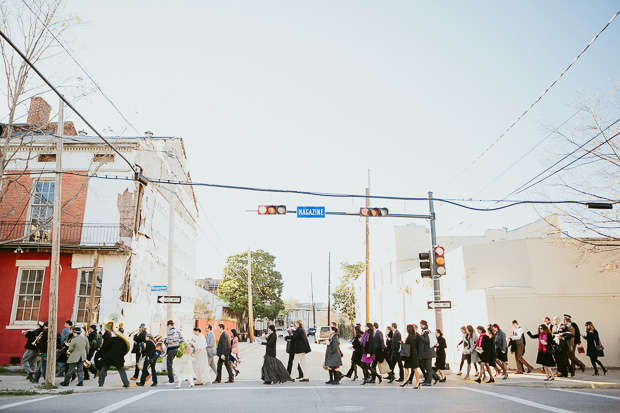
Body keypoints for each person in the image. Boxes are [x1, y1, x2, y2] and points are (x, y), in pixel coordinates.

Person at [419, 320, 441, 386]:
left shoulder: (425, 332)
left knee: (428, 367)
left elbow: (426, 341)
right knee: (424, 366)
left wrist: (421, 336)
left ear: (423, 325)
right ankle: (435, 377)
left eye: (420, 324)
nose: (420, 325)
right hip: (427, 352)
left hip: (427, 352)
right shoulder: (427, 331)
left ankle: (429, 381)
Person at [400, 324, 420, 389]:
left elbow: (410, 345)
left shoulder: (411, 336)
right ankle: (405, 380)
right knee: (407, 367)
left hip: (411, 354)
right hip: (411, 353)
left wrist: (403, 344)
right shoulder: (412, 336)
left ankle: (417, 382)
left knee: (414, 368)